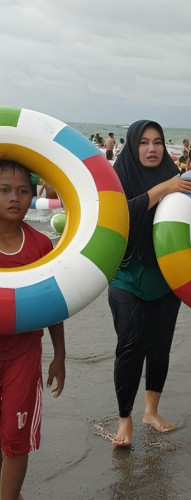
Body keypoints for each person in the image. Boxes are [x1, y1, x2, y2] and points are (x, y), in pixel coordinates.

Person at [109, 121, 191, 447]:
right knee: (130, 347)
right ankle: (125, 419)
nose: (152, 148)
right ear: (133, 146)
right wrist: (164, 188)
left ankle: (151, 411)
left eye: (157, 142)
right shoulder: (120, 177)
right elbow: (121, 216)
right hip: (127, 276)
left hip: (167, 276)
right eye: (144, 142)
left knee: (159, 348)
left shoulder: (176, 177)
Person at [0, 160, 66, 500]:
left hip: (24, 356)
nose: (15, 198)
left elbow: (53, 304)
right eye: (5, 190)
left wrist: (60, 355)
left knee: (15, 435)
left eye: (24, 191)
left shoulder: (41, 246)